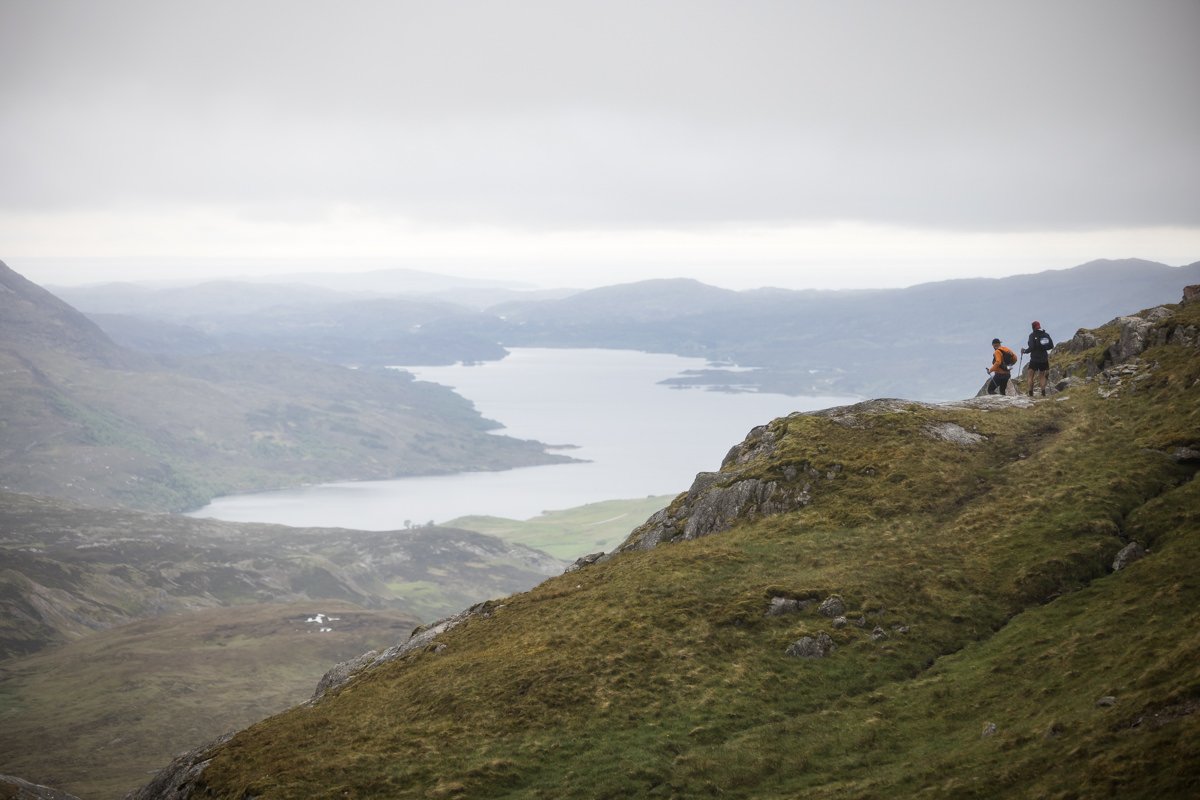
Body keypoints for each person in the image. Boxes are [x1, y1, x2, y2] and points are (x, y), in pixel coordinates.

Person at [1021, 320, 1054, 396]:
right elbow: (1051, 346)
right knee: (1042, 376)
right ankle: (1043, 393)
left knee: (1030, 376)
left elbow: (1031, 347)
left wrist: (1025, 351)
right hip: (1044, 359)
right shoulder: (1046, 335)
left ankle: (1031, 393)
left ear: (1033, 327)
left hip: (1034, 359)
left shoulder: (1032, 335)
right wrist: (1044, 348)